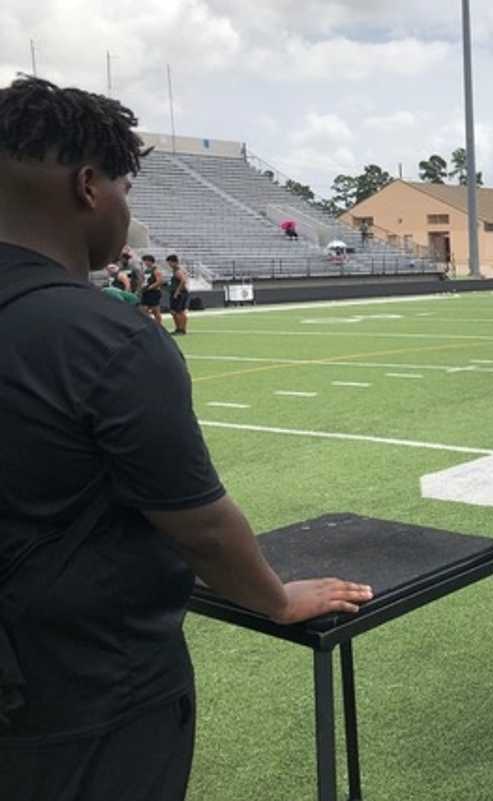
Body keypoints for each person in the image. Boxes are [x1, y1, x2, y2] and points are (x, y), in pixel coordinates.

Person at [0, 75, 372, 801]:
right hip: (87, 688)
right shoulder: (103, 337)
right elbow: (198, 523)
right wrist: (274, 596)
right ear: (88, 187)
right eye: (124, 187)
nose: (126, 207)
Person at [166, 254, 190, 335]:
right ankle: (178, 328)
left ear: (174, 262)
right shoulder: (178, 270)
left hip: (180, 293)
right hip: (179, 292)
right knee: (174, 311)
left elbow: (183, 280)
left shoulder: (178, 271)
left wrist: (177, 291)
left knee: (179, 311)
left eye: (170, 263)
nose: (169, 265)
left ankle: (181, 329)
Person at [139, 253, 163, 324]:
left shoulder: (156, 270)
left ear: (150, 261)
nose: (145, 263)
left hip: (154, 292)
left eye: (146, 261)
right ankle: (150, 324)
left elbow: (160, 281)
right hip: (146, 292)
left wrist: (150, 287)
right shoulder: (146, 270)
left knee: (155, 310)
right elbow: (144, 280)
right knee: (143, 310)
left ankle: (159, 326)